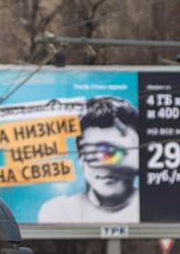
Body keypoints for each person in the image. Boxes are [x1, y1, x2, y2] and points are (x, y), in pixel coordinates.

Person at [38, 96, 140, 224]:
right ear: (80, 158)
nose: (104, 165)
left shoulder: (154, 207)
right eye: (93, 152)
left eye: (115, 152)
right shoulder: (57, 212)